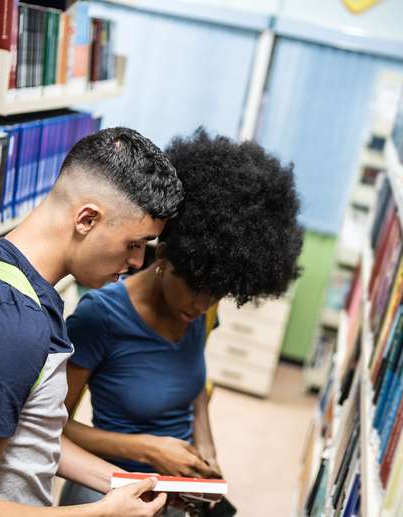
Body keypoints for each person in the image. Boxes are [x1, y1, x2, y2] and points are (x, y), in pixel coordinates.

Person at [0, 127, 184, 516]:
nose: (138, 262)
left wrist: (125, 485)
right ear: (87, 219)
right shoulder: (8, 327)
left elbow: (29, 432)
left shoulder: (15, 279)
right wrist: (101, 513)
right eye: (133, 244)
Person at [59, 129, 304, 513]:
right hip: (110, 491)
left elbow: (195, 389)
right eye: (197, 287)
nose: (204, 305)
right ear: (168, 254)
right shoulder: (100, 316)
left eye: (219, 293)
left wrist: (205, 445)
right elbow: (54, 430)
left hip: (176, 492)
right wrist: (148, 449)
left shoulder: (200, 314)